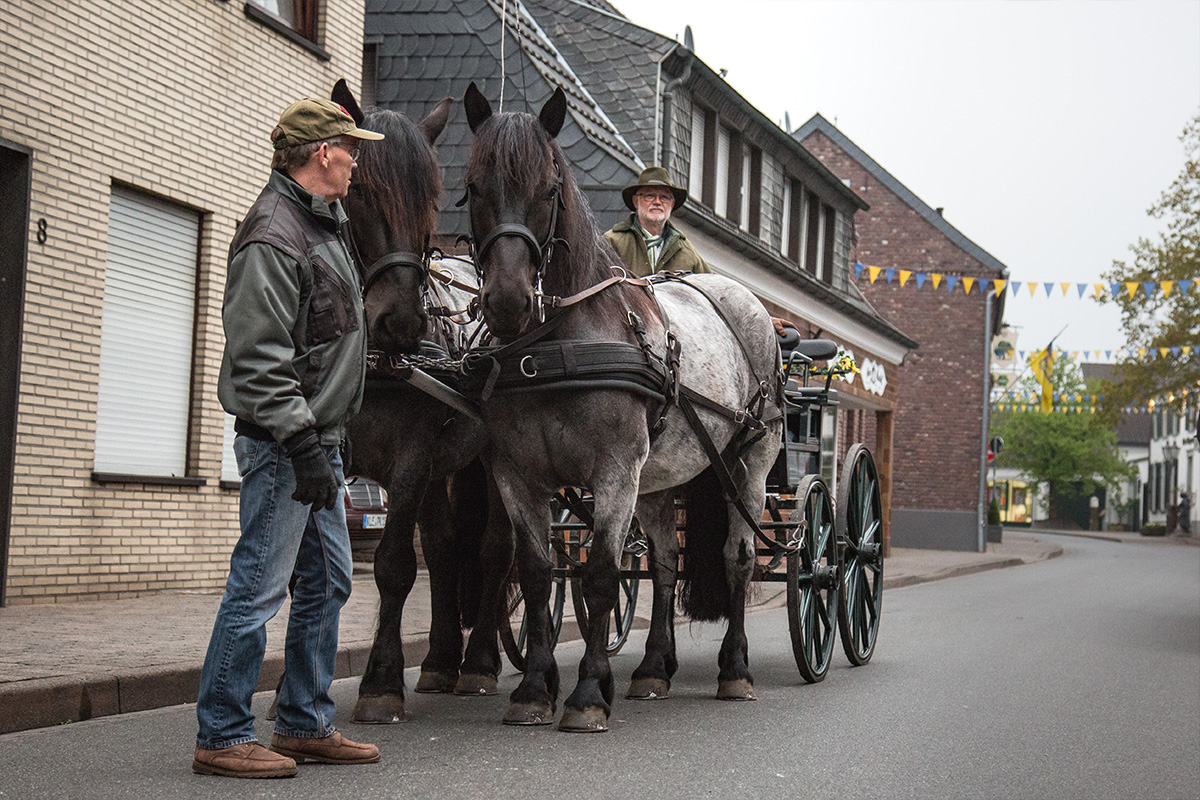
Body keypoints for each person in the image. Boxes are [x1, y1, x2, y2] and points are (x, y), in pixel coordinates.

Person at [192, 95, 384, 779]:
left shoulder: (321, 224)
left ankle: (303, 721)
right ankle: (221, 730)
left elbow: (329, 339)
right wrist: (303, 444)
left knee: (329, 580)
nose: (358, 161)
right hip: (283, 447)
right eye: (351, 149)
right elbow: (260, 358)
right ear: (323, 153)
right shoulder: (274, 234)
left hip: (316, 440)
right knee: (258, 587)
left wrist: (330, 433)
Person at [603, 166, 795, 335]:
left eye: (664, 197)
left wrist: (761, 320)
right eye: (649, 196)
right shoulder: (611, 242)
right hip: (626, 337)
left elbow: (716, 295)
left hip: (674, 351)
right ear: (636, 202)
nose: (657, 202)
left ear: (671, 205)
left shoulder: (686, 251)